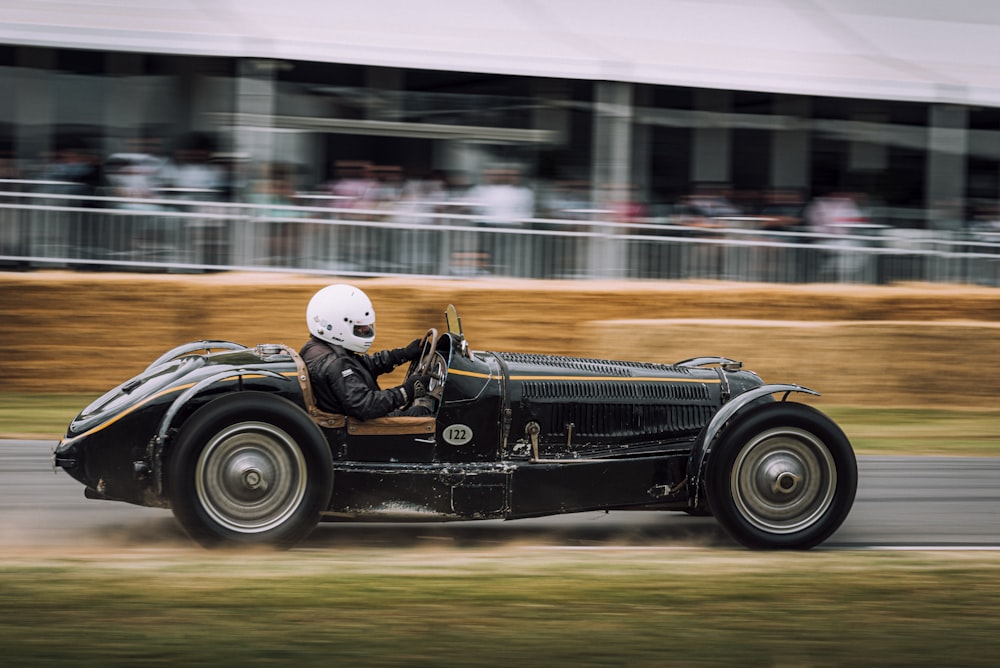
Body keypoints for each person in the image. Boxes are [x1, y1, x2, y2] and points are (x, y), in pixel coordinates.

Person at [299, 284, 434, 419]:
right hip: (360, 428)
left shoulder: (317, 347)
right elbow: (366, 405)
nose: (365, 330)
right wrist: (407, 390)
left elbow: (361, 366)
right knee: (424, 414)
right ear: (336, 326)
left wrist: (402, 354)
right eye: (359, 327)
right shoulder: (336, 363)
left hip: (355, 420)